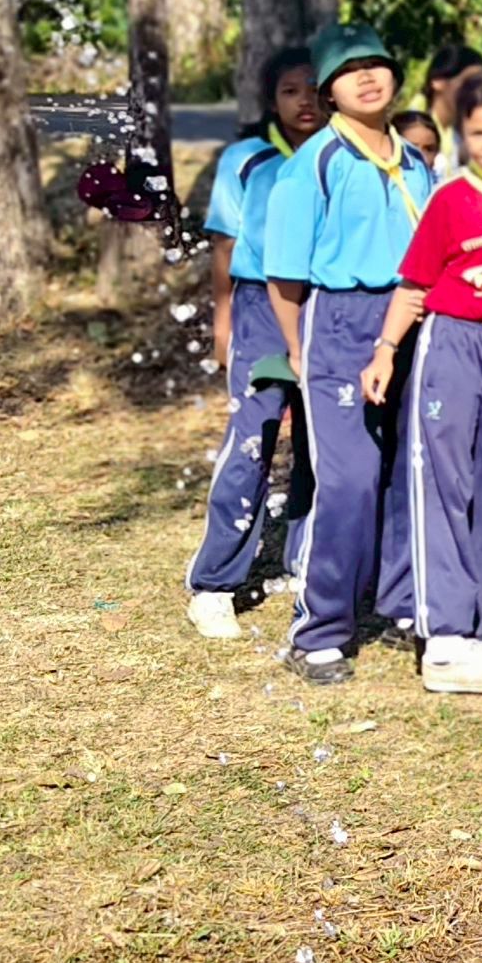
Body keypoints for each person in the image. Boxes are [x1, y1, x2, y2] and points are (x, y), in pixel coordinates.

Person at [264, 24, 438, 684]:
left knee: (405, 468)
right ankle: (319, 630)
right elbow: (284, 276)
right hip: (338, 322)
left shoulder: (416, 161)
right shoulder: (314, 163)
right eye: (348, 70)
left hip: (411, 319)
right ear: (328, 91)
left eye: (377, 64)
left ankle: (397, 602)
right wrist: (298, 350)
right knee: (348, 477)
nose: (366, 77)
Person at [358, 73, 482, 696]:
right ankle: (447, 633)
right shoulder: (451, 198)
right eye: (479, 133)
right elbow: (414, 287)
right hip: (452, 345)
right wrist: (385, 351)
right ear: (462, 137)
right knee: (442, 481)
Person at [185, 44, 327, 638]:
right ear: (271, 101)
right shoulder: (247, 160)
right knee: (254, 436)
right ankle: (214, 582)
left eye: (314, 90)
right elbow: (224, 244)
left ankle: (304, 561)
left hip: (326, 308)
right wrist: (222, 321)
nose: (305, 103)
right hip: (259, 310)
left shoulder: (343, 156)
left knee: (321, 442)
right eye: (291, 91)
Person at [424, 42, 482, 163]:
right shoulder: (411, 132)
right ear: (438, 81)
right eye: (469, 81)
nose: (477, 90)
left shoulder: (464, 136)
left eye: (481, 83)